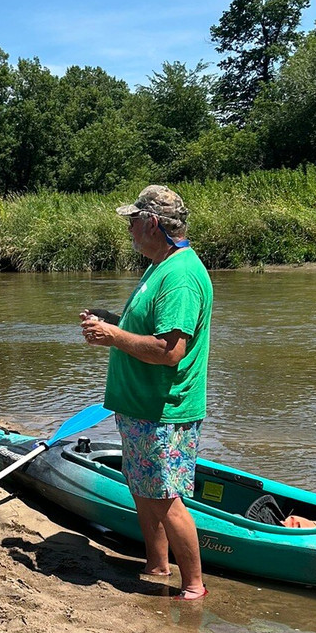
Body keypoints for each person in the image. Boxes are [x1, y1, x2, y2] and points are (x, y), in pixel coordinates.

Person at [80, 185, 213, 600]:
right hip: (141, 406)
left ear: (152, 223)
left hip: (162, 410)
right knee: (144, 491)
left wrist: (113, 335)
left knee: (166, 499)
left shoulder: (180, 277)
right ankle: (157, 567)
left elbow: (171, 351)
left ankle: (193, 588)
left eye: (133, 221)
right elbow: (152, 330)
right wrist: (113, 323)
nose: (130, 229)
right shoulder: (161, 265)